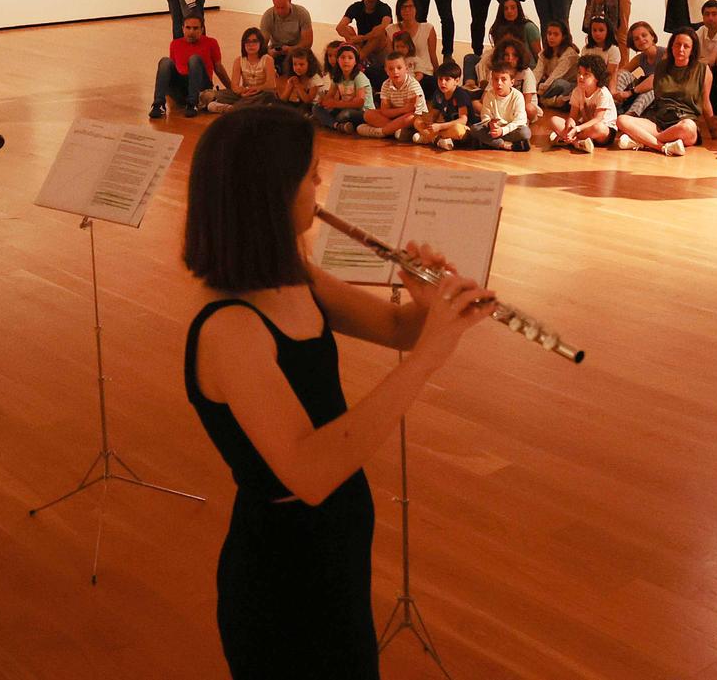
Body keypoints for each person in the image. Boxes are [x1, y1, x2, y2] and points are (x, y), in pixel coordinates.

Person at [181, 105, 492, 677]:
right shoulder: (231, 329)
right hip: (281, 571)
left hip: (333, 549)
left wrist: (426, 307)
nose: (321, 184)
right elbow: (309, 470)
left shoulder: (295, 276)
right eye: (312, 174)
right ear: (271, 195)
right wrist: (427, 360)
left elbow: (397, 331)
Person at [615, 30, 710, 156]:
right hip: (659, 122)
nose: (681, 49)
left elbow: (706, 102)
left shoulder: (702, 69)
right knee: (621, 120)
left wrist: (713, 129)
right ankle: (661, 147)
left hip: (683, 122)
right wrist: (629, 92)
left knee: (688, 128)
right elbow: (649, 84)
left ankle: (644, 141)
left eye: (686, 46)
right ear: (671, 46)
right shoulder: (662, 66)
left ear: (692, 50)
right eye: (677, 44)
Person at [151, 16, 231, 120]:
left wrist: (232, 88)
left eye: (195, 28)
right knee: (165, 61)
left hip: (200, 87)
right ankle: (158, 105)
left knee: (194, 59)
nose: (191, 32)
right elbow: (170, 71)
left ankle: (193, 104)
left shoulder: (211, 43)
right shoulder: (175, 44)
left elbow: (218, 68)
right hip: (181, 89)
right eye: (188, 28)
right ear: (183, 28)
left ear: (202, 29)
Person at [546, 53, 616, 154]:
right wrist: (570, 123)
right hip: (583, 128)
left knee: (598, 128)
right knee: (554, 120)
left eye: (586, 74)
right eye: (579, 73)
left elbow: (598, 119)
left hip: (603, 132)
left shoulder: (603, 93)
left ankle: (566, 138)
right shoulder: (577, 91)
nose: (581, 77)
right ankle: (576, 142)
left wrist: (576, 129)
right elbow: (573, 116)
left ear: (597, 78)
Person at [204, 28, 281, 113]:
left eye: (254, 41)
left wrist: (257, 89)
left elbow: (271, 84)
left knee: (269, 95)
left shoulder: (267, 59)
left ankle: (233, 109)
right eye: (247, 42)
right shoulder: (239, 60)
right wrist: (242, 92)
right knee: (214, 95)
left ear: (261, 43)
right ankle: (242, 107)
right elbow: (234, 86)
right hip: (246, 93)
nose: (251, 45)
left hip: (261, 93)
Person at [335, 0, 394, 87]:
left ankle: (358, 58)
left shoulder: (384, 8)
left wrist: (363, 38)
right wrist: (354, 38)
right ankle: (360, 57)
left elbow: (384, 26)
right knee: (348, 28)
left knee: (379, 32)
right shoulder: (356, 7)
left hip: (380, 48)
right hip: (362, 45)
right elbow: (340, 27)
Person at [358, 52, 426, 141]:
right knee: (368, 114)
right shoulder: (386, 84)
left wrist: (401, 111)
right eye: (391, 69)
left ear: (406, 68)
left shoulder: (412, 84)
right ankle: (397, 131)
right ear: (386, 71)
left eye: (399, 68)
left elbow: (411, 110)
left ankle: (381, 132)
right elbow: (385, 111)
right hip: (396, 117)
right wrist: (402, 109)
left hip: (412, 118)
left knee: (411, 117)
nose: (395, 72)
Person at [386, 0, 441, 97]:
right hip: (399, 75)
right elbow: (391, 57)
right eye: (403, 7)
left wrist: (438, 74)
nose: (407, 10)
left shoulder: (427, 28)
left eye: (410, 7)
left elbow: (433, 55)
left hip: (423, 74)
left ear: (416, 9)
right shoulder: (391, 29)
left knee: (434, 84)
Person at [465, 65, 530, 151]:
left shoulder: (517, 96)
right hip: (494, 130)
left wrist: (503, 130)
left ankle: (488, 143)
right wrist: (490, 125)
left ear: (512, 82)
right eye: (496, 79)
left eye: (503, 80)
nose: (499, 83)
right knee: (474, 129)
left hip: (510, 129)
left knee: (525, 133)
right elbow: (485, 116)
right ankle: (503, 144)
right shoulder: (489, 94)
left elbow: (520, 120)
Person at [412, 60, 473, 151]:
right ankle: (438, 140)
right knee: (417, 121)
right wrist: (429, 122)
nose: (442, 83)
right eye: (440, 79)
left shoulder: (461, 94)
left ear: (456, 81)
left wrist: (440, 127)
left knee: (458, 130)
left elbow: (463, 120)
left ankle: (431, 138)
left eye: (447, 79)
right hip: (445, 127)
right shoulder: (438, 93)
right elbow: (434, 114)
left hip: (463, 128)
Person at [312, 44, 373, 134]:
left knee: (345, 114)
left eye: (350, 58)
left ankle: (330, 122)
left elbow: (359, 103)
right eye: (342, 58)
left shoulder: (359, 77)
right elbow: (329, 97)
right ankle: (337, 126)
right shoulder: (337, 77)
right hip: (344, 107)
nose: (346, 61)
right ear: (338, 60)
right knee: (316, 108)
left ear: (355, 62)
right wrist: (323, 100)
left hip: (363, 111)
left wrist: (336, 104)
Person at [474, 37, 540, 120]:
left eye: (514, 55)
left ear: (520, 57)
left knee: (529, 108)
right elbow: (484, 98)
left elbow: (527, 102)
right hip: (501, 108)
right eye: (506, 55)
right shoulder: (497, 71)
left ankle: (503, 121)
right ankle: (499, 120)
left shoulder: (526, 73)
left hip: (520, 109)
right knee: (475, 103)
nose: (510, 59)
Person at [612, 21, 665, 118]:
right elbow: (618, 74)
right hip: (643, 89)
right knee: (623, 74)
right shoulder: (640, 58)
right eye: (636, 39)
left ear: (652, 36)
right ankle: (615, 106)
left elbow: (657, 78)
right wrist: (614, 93)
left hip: (661, 90)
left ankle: (630, 115)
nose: (641, 40)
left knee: (653, 89)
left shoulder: (664, 54)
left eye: (644, 35)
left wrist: (630, 92)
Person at [260, 0, 315, 70]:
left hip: (298, 51)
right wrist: (269, 52)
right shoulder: (267, 16)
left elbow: (307, 43)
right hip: (276, 51)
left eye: (283, 7)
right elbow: (262, 44)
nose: (280, 11)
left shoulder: (302, 13)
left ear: (290, 1)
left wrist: (292, 49)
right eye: (277, 7)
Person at [535, 19, 579, 108]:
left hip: (569, 86)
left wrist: (538, 93)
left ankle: (542, 100)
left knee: (559, 84)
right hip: (550, 87)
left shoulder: (569, 54)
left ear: (563, 37)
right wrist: (530, 89)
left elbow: (556, 75)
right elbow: (537, 72)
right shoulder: (544, 53)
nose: (551, 37)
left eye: (556, 34)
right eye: (549, 33)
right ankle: (550, 101)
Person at [276, 48, 324, 112]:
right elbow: (283, 100)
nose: (298, 68)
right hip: (301, 104)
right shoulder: (295, 77)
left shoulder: (315, 79)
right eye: (295, 64)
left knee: (302, 108)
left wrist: (298, 85)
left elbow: (308, 101)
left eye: (301, 64)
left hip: (315, 107)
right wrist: (289, 86)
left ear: (309, 64)